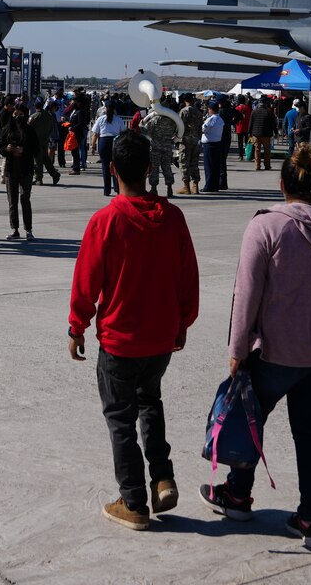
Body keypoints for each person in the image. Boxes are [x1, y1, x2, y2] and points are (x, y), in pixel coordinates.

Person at [201, 145, 311, 550]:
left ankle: (238, 495)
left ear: (282, 186)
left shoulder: (265, 227)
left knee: (249, 417)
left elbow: (247, 293)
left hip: (278, 351)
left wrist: (237, 348)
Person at [68, 131, 200, 531]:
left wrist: (77, 327)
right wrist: (182, 323)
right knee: (150, 402)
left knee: (121, 420)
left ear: (112, 170)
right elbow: (188, 278)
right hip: (159, 340)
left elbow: (86, 281)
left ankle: (134, 502)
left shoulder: (106, 221)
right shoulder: (173, 217)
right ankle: (162, 476)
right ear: (148, 168)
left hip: (119, 341)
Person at [0, 102, 40, 239]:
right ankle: (14, 228)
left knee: (25, 199)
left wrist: (24, 150)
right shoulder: (7, 129)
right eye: (15, 114)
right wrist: (8, 149)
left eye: (21, 114)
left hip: (26, 168)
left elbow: (36, 149)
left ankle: (28, 229)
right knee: (12, 200)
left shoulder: (29, 130)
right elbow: (1, 146)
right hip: (11, 168)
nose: (18, 117)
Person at [140, 98, 180, 199]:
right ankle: (169, 187)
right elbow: (176, 132)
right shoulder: (173, 121)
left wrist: (141, 124)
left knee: (155, 167)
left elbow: (146, 131)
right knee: (167, 167)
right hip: (167, 146)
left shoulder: (155, 119)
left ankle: (154, 188)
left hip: (155, 147)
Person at [91, 99, 129, 197]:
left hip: (103, 142)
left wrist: (93, 145)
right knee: (116, 166)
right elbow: (124, 132)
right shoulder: (118, 119)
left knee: (105, 166)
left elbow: (95, 134)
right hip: (115, 142)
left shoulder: (100, 119)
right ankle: (117, 189)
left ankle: (106, 190)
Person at [30, 100, 61, 186]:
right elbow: (51, 128)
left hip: (36, 141)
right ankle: (54, 173)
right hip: (45, 140)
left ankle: (38, 178)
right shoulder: (49, 116)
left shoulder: (33, 116)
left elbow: (28, 128)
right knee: (45, 159)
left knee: (37, 160)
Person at [179, 94, 205, 195]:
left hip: (185, 141)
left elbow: (179, 126)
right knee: (194, 163)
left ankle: (186, 187)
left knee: (184, 163)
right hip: (196, 141)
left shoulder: (184, 111)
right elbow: (200, 128)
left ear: (184, 100)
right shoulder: (198, 113)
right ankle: (195, 186)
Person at [200, 100, 226, 193]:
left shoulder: (211, 119)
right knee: (215, 166)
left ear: (211, 109)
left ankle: (209, 186)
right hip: (217, 143)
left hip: (209, 144)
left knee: (209, 166)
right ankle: (215, 185)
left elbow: (204, 129)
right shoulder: (220, 119)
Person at [249, 96, 278, 170]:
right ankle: (267, 166)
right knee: (267, 151)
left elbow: (250, 123)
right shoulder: (269, 112)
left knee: (257, 150)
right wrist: (276, 132)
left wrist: (249, 133)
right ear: (266, 103)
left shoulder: (254, 112)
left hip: (255, 134)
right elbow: (273, 124)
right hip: (266, 134)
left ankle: (257, 166)